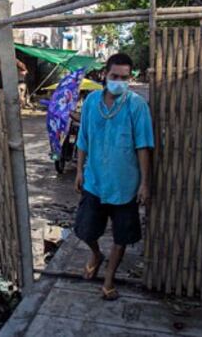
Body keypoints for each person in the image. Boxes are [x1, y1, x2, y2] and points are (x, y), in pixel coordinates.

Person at [73, 53, 154, 300]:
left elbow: (143, 145)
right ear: (104, 75)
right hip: (95, 181)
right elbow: (83, 139)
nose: (119, 81)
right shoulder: (90, 102)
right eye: (114, 76)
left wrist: (144, 183)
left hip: (124, 184)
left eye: (124, 77)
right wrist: (78, 170)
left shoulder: (137, 105)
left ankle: (108, 279)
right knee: (85, 230)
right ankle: (96, 254)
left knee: (122, 236)